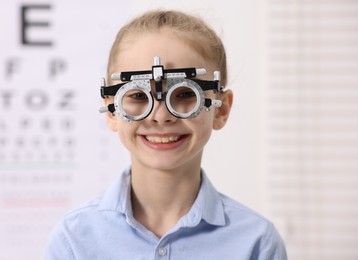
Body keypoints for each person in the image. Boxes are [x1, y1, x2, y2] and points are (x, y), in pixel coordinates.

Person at [45, 10, 287, 259]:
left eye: (184, 94)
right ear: (112, 111)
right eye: (138, 95)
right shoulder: (73, 239)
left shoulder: (256, 242)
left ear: (221, 109)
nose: (160, 116)